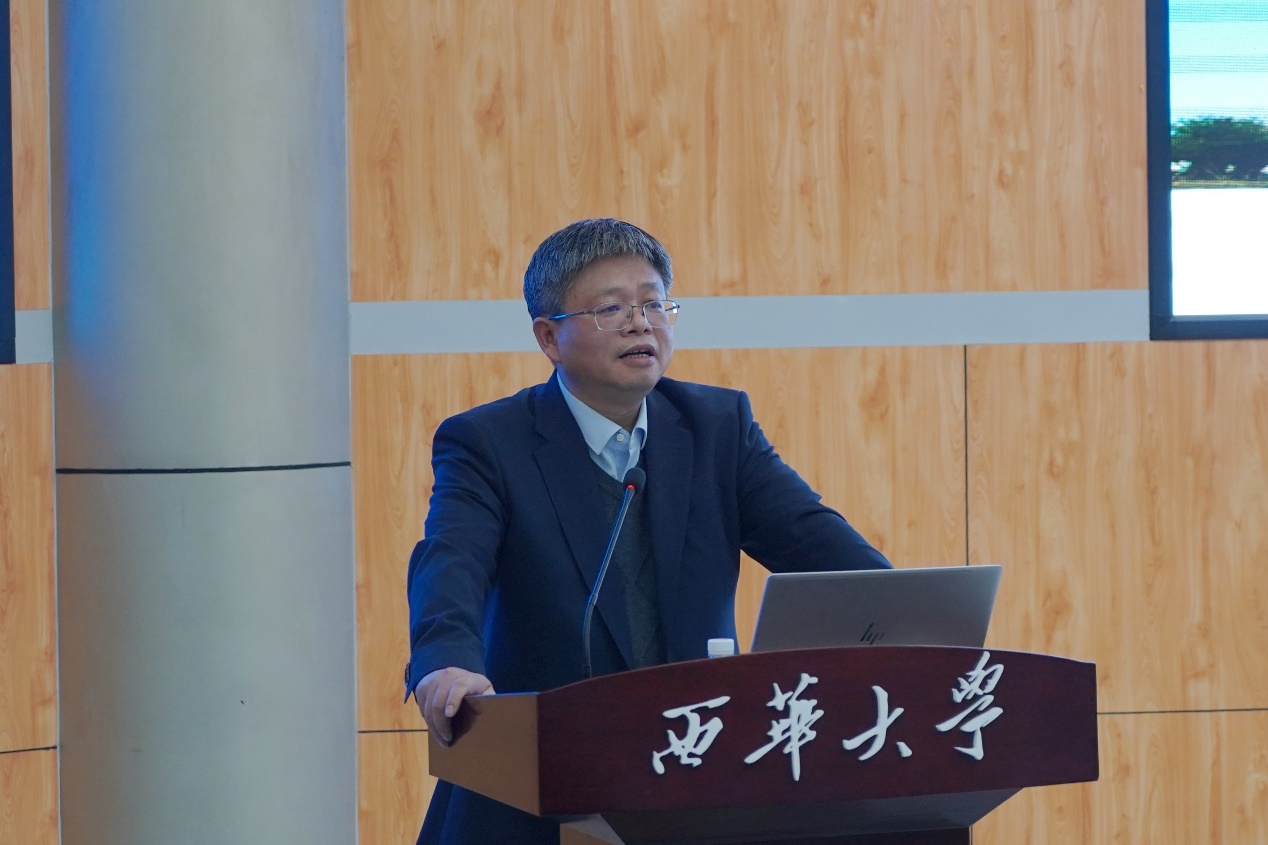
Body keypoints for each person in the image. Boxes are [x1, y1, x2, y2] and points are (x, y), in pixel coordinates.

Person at [404, 218, 891, 845]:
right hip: (539, 783)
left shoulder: (716, 427)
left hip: (693, 772)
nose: (641, 324)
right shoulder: (489, 443)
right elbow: (451, 560)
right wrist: (446, 663)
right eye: (611, 309)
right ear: (549, 337)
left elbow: (820, 545)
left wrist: (905, 615)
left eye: (654, 304)